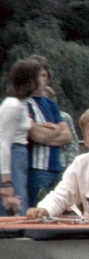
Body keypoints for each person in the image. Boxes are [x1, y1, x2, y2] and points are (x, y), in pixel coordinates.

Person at [26, 57, 72, 206]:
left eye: (44, 76)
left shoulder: (51, 103)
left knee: (59, 207)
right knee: (38, 207)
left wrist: (49, 131)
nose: (41, 80)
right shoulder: (25, 102)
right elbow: (37, 135)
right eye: (38, 76)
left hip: (57, 166)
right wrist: (57, 129)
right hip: (37, 167)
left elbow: (67, 135)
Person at [1, 58, 42, 215]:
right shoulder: (13, 105)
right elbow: (4, 143)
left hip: (21, 156)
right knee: (16, 204)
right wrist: (6, 181)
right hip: (13, 157)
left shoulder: (23, 103)